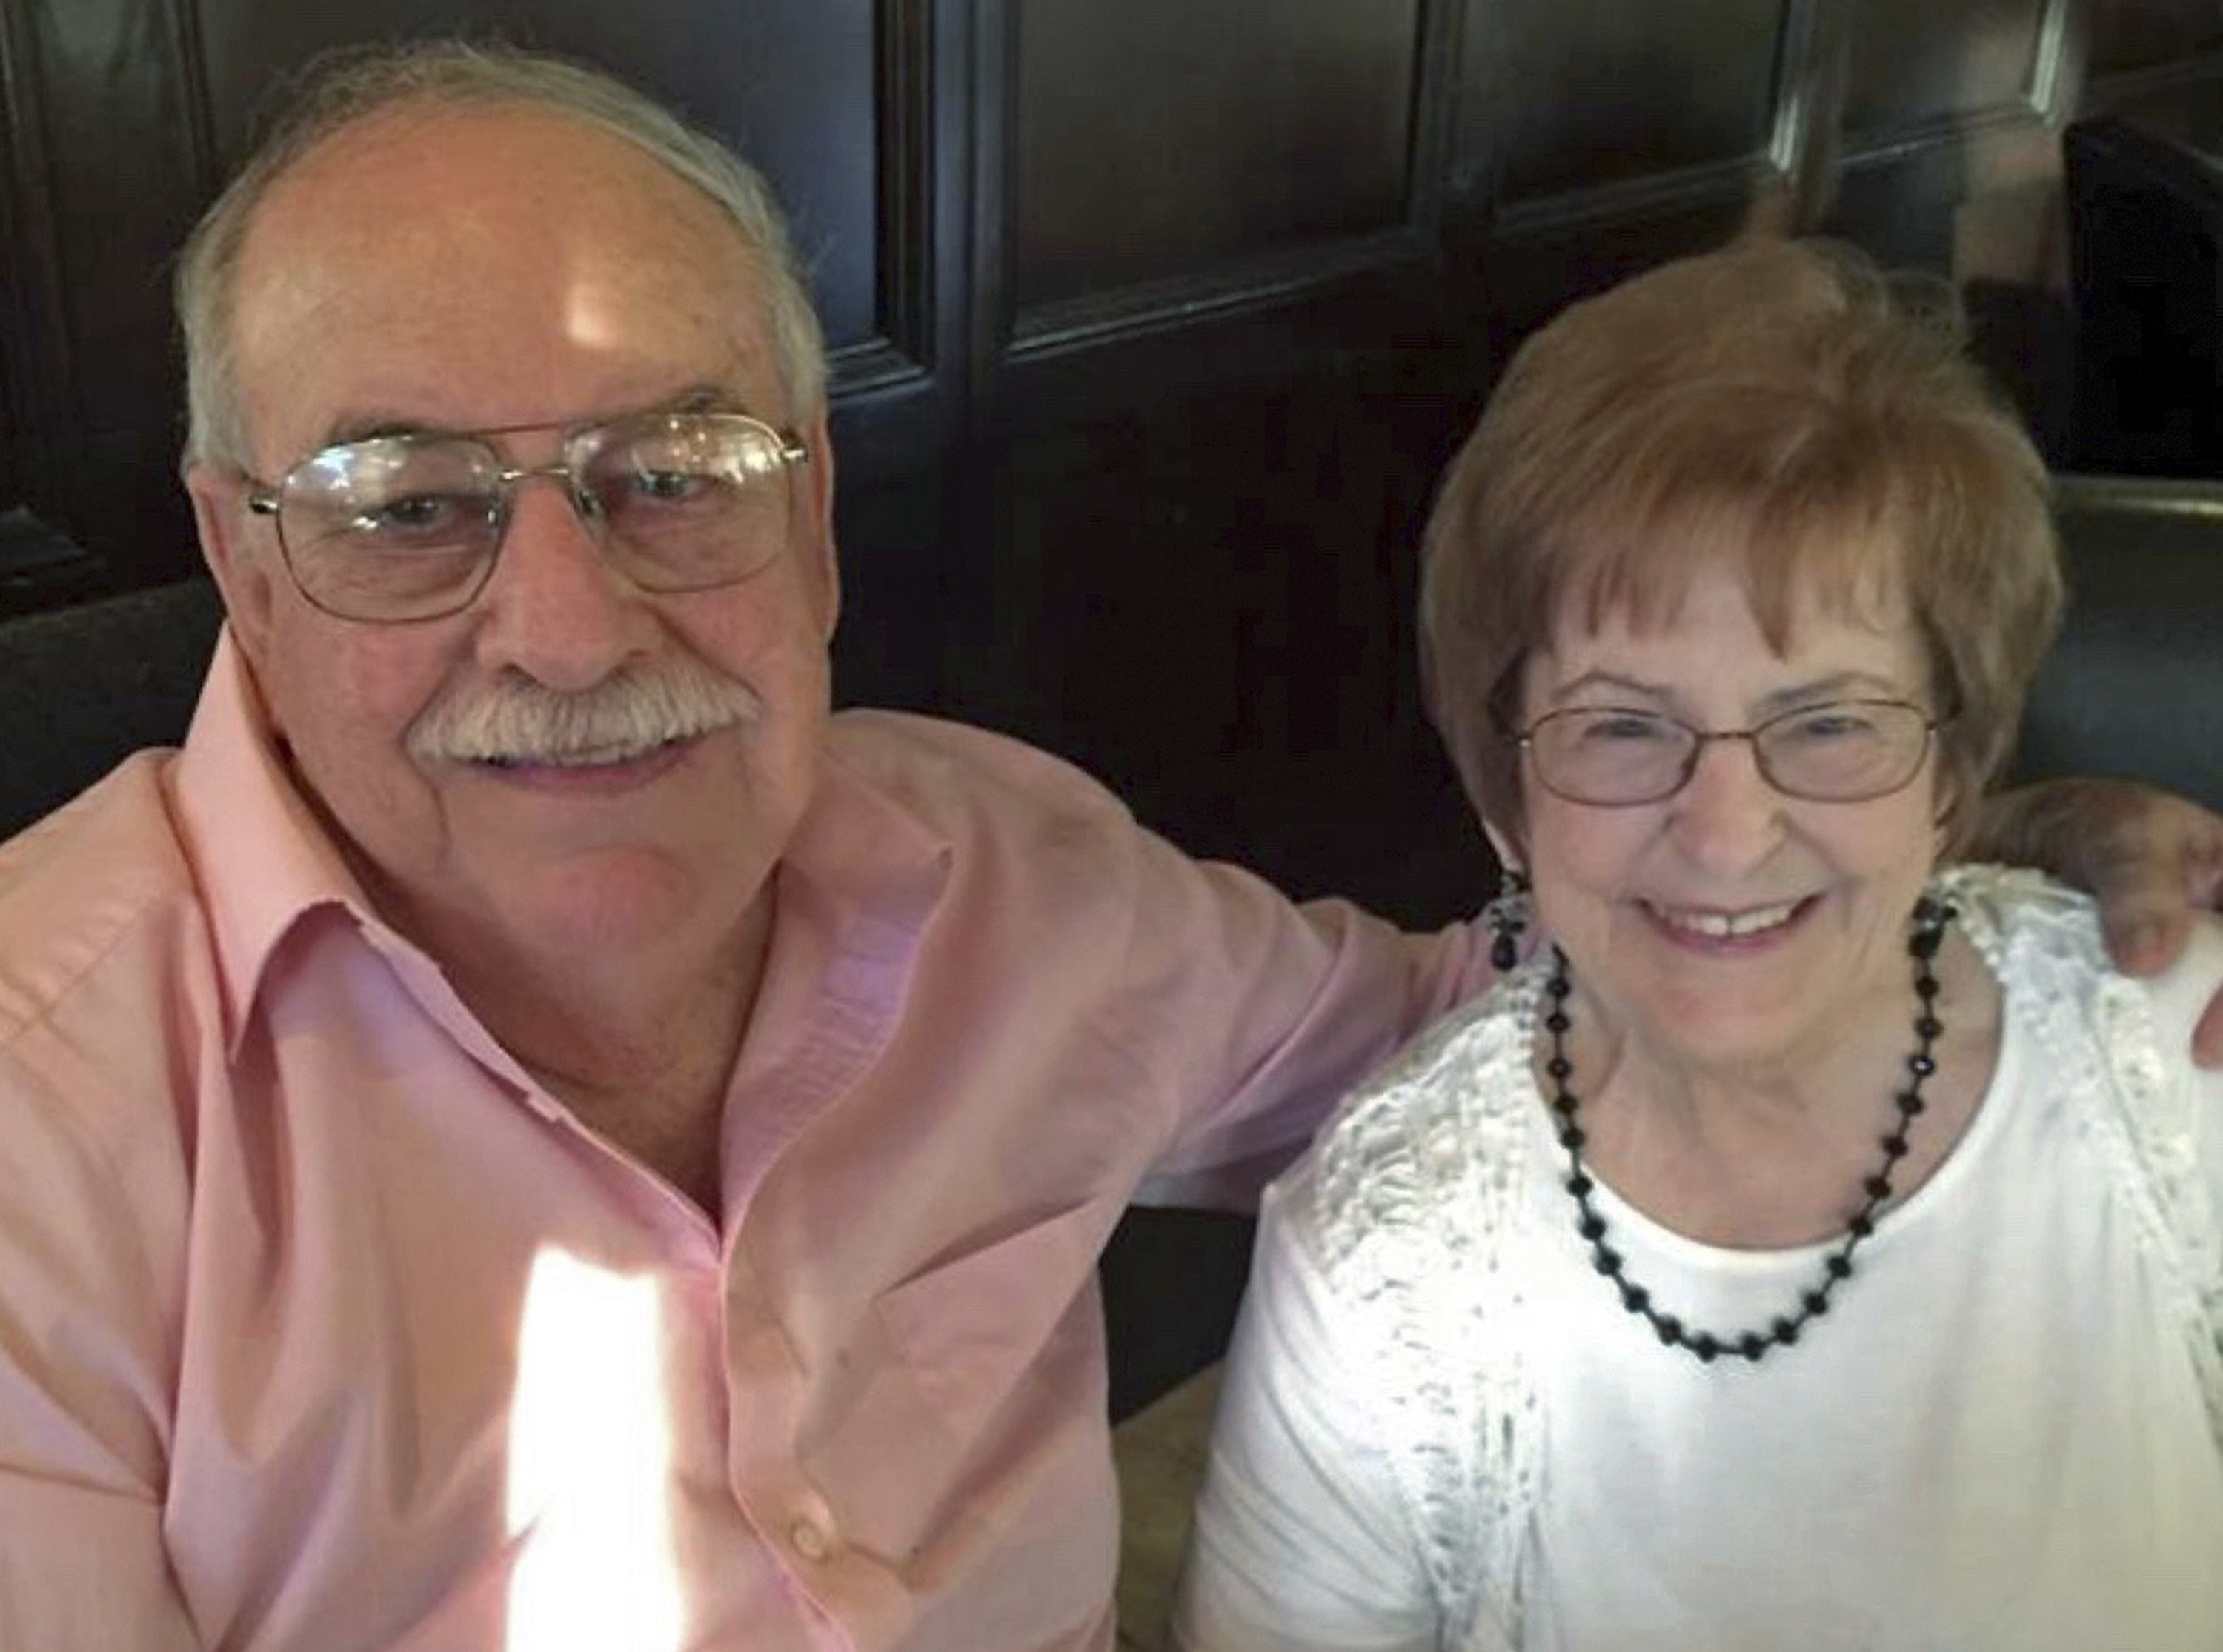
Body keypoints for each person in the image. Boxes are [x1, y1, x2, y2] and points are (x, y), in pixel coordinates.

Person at [0, 41, 2210, 1652]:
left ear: (815, 513)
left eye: (677, 465)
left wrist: (1961, 859)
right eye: (409, 502)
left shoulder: (1021, 885)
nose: (572, 624)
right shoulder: (42, 1128)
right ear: (240, 552)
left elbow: (1513, 1005)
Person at [1171, 238, 2223, 1651]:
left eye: (1831, 721)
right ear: (1505, 794)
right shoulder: (1384, 1265)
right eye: (1621, 724)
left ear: (1952, 772)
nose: (1726, 831)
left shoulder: (2175, 1056)